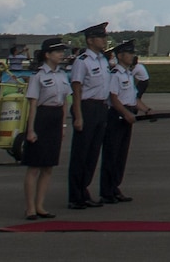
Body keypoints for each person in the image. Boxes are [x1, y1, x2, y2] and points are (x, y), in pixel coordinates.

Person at [66, 22, 115, 210]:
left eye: (104, 37)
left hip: (101, 108)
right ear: (90, 40)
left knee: (93, 153)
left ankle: (84, 190)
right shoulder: (83, 61)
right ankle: (75, 195)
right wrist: (78, 116)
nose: (104, 40)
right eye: (101, 37)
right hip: (86, 107)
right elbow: (76, 89)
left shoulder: (103, 60)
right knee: (81, 153)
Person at [99, 39, 154, 204]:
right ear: (120, 55)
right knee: (111, 154)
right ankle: (107, 191)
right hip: (117, 116)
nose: (132, 56)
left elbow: (133, 98)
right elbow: (114, 98)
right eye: (129, 53)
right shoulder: (115, 74)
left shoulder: (129, 75)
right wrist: (125, 114)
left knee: (121, 155)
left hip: (127, 114)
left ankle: (115, 187)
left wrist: (147, 110)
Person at [23, 39, 72, 221]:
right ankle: (30, 208)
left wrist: (63, 125)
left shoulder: (62, 75)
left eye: (62, 51)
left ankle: (40, 205)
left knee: (48, 166)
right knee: (34, 166)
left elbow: (65, 102)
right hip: (41, 118)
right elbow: (33, 105)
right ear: (47, 55)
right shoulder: (38, 76)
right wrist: (31, 130)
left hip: (55, 118)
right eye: (57, 51)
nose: (61, 54)